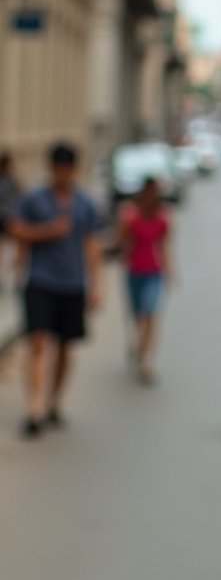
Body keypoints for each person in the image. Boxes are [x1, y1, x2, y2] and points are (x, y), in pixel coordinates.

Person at [7, 142, 104, 438]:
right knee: (37, 342)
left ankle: (54, 403)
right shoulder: (35, 199)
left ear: (73, 170)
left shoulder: (84, 204)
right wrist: (46, 231)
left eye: (66, 169)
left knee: (64, 345)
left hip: (72, 283)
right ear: (51, 169)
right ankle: (34, 409)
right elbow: (15, 228)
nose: (61, 174)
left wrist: (96, 285)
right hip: (39, 281)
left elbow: (91, 245)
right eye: (57, 168)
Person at [119, 176, 173, 384]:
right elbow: (121, 242)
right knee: (137, 315)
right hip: (134, 271)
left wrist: (169, 271)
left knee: (150, 314)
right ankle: (138, 345)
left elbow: (164, 246)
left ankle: (145, 360)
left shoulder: (163, 218)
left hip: (154, 272)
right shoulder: (130, 216)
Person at [0, 150, 22, 292]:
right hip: (8, 218)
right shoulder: (11, 181)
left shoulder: (11, 180)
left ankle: (12, 278)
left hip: (9, 218)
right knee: (11, 250)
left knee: (12, 249)